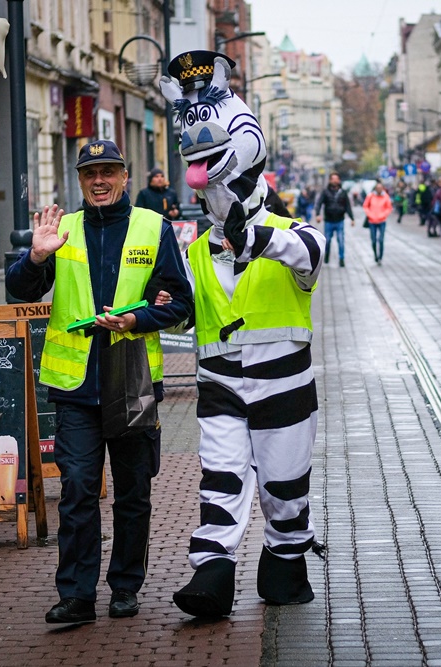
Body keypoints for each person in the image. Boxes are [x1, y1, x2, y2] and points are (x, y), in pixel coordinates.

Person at [160, 49, 324, 618]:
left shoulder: (289, 231)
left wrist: (254, 237)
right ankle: (212, 573)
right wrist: (159, 310)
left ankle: (283, 565)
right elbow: (186, 309)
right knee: (221, 481)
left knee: (284, 488)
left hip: (283, 384)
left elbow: (307, 254)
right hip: (220, 386)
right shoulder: (198, 250)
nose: (208, 192)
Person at [5, 140, 192, 624]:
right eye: (91, 174)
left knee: (133, 493)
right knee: (79, 490)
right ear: (81, 180)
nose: (100, 181)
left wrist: (138, 321)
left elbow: (181, 307)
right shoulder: (61, 231)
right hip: (75, 388)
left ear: (125, 176)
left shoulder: (154, 227)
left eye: (109, 171)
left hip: (132, 384)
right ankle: (77, 595)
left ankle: (125, 587)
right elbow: (19, 291)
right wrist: (35, 259)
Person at [315, 172, 354, 266]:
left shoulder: (343, 192)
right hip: (328, 220)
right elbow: (319, 203)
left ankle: (341, 259)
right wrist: (317, 214)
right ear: (330, 180)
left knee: (341, 240)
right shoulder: (325, 192)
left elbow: (347, 206)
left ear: (339, 180)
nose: (335, 181)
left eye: (336, 179)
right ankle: (327, 255)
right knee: (327, 241)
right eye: (333, 179)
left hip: (340, 220)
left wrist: (352, 218)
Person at [363, 181, 393, 264]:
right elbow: (365, 206)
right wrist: (369, 214)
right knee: (373, 240)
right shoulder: (371, 196)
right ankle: (375, 255)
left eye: (381, 188)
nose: (379, 189)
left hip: (382, 221)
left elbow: (389, 207)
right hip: (372, 221)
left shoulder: (385, 196)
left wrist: (383, 215)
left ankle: (380, 257)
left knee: (381, 239)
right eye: (378, 188)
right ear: (375, 188)